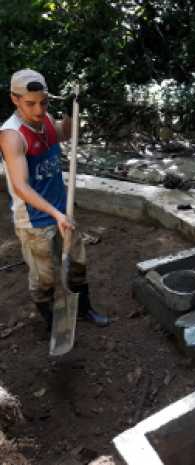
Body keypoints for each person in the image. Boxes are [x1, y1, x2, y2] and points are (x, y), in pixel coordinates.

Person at [0, 69, 109, 330]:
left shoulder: (45, 118)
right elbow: (21, 186)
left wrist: (73, 107)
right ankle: (52, 324)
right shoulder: (11, 136)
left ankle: (84, 311)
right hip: (35, 221)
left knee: (77, 262)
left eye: (44, 102)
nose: (38, 110)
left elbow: (66, 133)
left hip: (63, 208)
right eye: (30, 104)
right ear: (15, 99)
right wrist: (55, 214)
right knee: (44, 277)